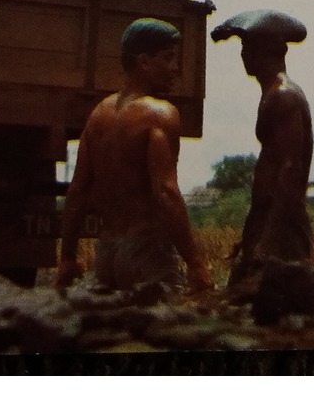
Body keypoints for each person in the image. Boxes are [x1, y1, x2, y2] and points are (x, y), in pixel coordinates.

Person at [55, 19, 213, 296]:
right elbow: (165, 192)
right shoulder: (160, 114)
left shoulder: (98, 115)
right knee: (165, 331)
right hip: (147, 253)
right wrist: (195, 263)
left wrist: (67, 257)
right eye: (168, 58)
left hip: (107, 254)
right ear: (144, 62)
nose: (175, 69)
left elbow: (77, 191)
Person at [210, 9, 314, 288]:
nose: (243, 56)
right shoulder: (271, 95)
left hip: (282, 225)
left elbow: (289, 168)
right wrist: (250, 237)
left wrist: (269, 239)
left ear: (264, 52)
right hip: (268, 219)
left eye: (248, 48)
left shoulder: (284, 97)